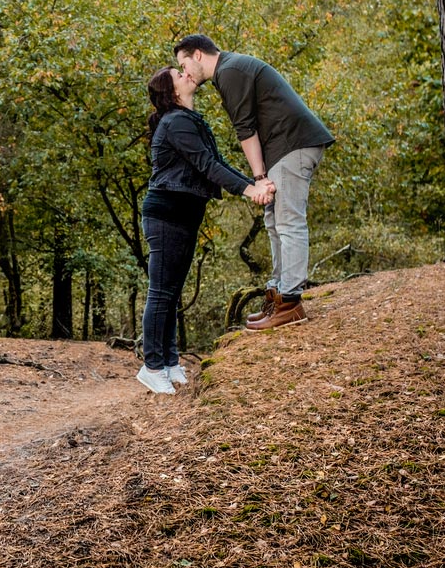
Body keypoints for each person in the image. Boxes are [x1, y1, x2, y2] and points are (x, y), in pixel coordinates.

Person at [174, 34, 334, 330]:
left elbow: (245, 130)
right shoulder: (229, 71)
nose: (184, 74)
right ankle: (277, 293)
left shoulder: (229, 71)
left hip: (294, 144)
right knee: (274, 221)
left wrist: (259, 178)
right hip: (282, 149)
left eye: (183, 65)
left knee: (288, 221)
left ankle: (291, 301)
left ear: (197, 55)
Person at [137, 66, 275, 395]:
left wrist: (254, 183)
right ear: (172, 92)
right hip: (167, 214)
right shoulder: (176, 122)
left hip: (182, 215)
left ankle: (169, 362)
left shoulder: (186, 120)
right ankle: (152, 366)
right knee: (161, 292)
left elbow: (217, 161)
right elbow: (208, 167)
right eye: (179, 76)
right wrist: (248, 191)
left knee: (171, 292)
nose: (188, 75)